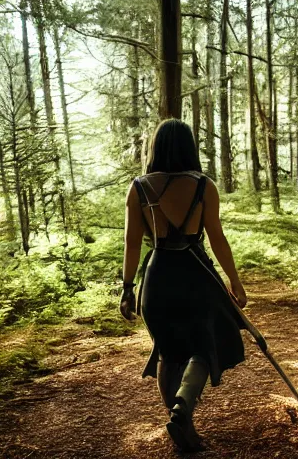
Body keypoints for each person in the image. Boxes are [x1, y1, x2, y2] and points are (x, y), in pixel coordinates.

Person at [120, 118, 248, 452]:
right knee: (205, 345)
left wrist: (127, 288)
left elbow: (132, 244)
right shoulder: (204, 186)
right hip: (196, 274)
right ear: (189, 147)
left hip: (158, 277)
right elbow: (217, 238)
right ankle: (183, 411)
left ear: (156, 148)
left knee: (168, 353)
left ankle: (180, 421)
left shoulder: (139, 187)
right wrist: (235, 282)